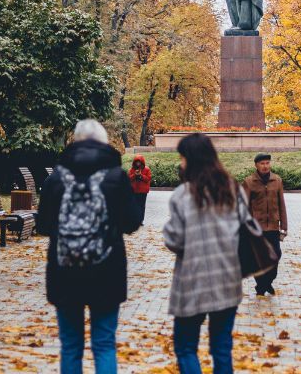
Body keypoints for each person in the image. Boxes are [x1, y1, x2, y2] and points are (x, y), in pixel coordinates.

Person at [36, 119, 146, 374]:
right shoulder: (116, 177)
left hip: (65, 270)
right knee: (104, 343)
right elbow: (132, 222)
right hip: (107, 270)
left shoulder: (57, 177)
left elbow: (42, 224)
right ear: (103, 142)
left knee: (71, 345)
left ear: (76, 141)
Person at [163, 133, 246, 374]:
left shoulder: (182, 195)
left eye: (182, 158)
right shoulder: (233, 190)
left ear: (191, 159)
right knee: (221, 347)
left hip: (193, 279)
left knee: (186, 347)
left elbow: (175, 239)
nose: (181, 163)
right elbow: (246, 230)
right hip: (227, 277)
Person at [243, 153, 288, 296]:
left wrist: (284, 226)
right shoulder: (249, 182)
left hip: (273, 227)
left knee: (276, 255)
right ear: (256, 165)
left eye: (267, 163)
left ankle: (266, 282)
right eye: (262, 163)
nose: (265, 166)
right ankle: (261, 285)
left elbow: (282, 204)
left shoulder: (277, 180)